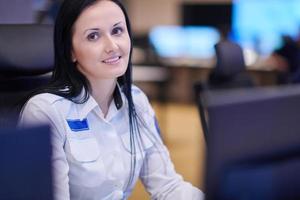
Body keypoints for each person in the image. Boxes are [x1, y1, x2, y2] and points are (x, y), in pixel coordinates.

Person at [18, 0, 205, 199]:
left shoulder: (136, 101)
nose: (112, 46)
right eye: (93, 36)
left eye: (117, 31)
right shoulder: (45, 111)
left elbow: (168, 187)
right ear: (70, 50)